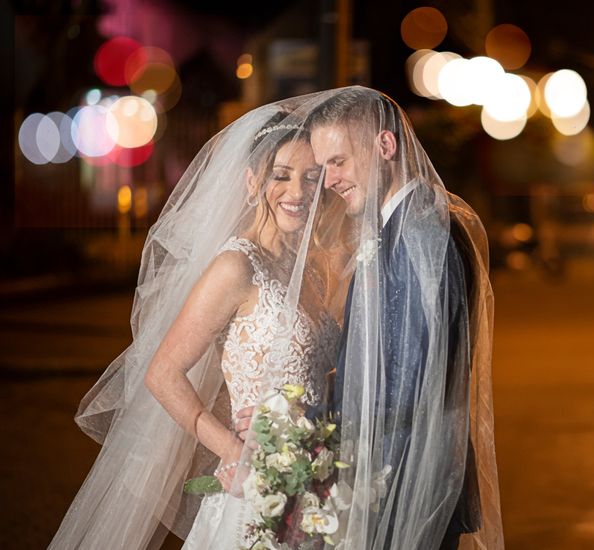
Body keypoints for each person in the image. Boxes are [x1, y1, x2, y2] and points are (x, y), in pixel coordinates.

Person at [50, 106, 346, 549]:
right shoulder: (236, 266)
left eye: (310, 177)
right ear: (251, 182)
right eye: (281, 174)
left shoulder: (315, 269)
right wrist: (231, 451)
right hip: (254, 492)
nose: (297, 191)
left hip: (313, 486)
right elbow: (162, 372)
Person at [236, 87, 504, 550]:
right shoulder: (398, 226)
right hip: (398, 479)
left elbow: (410, 380)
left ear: (385, 146)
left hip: (406, 482)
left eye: (338, 162)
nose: (330, 181)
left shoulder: (420, 232)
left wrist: (299, 424)